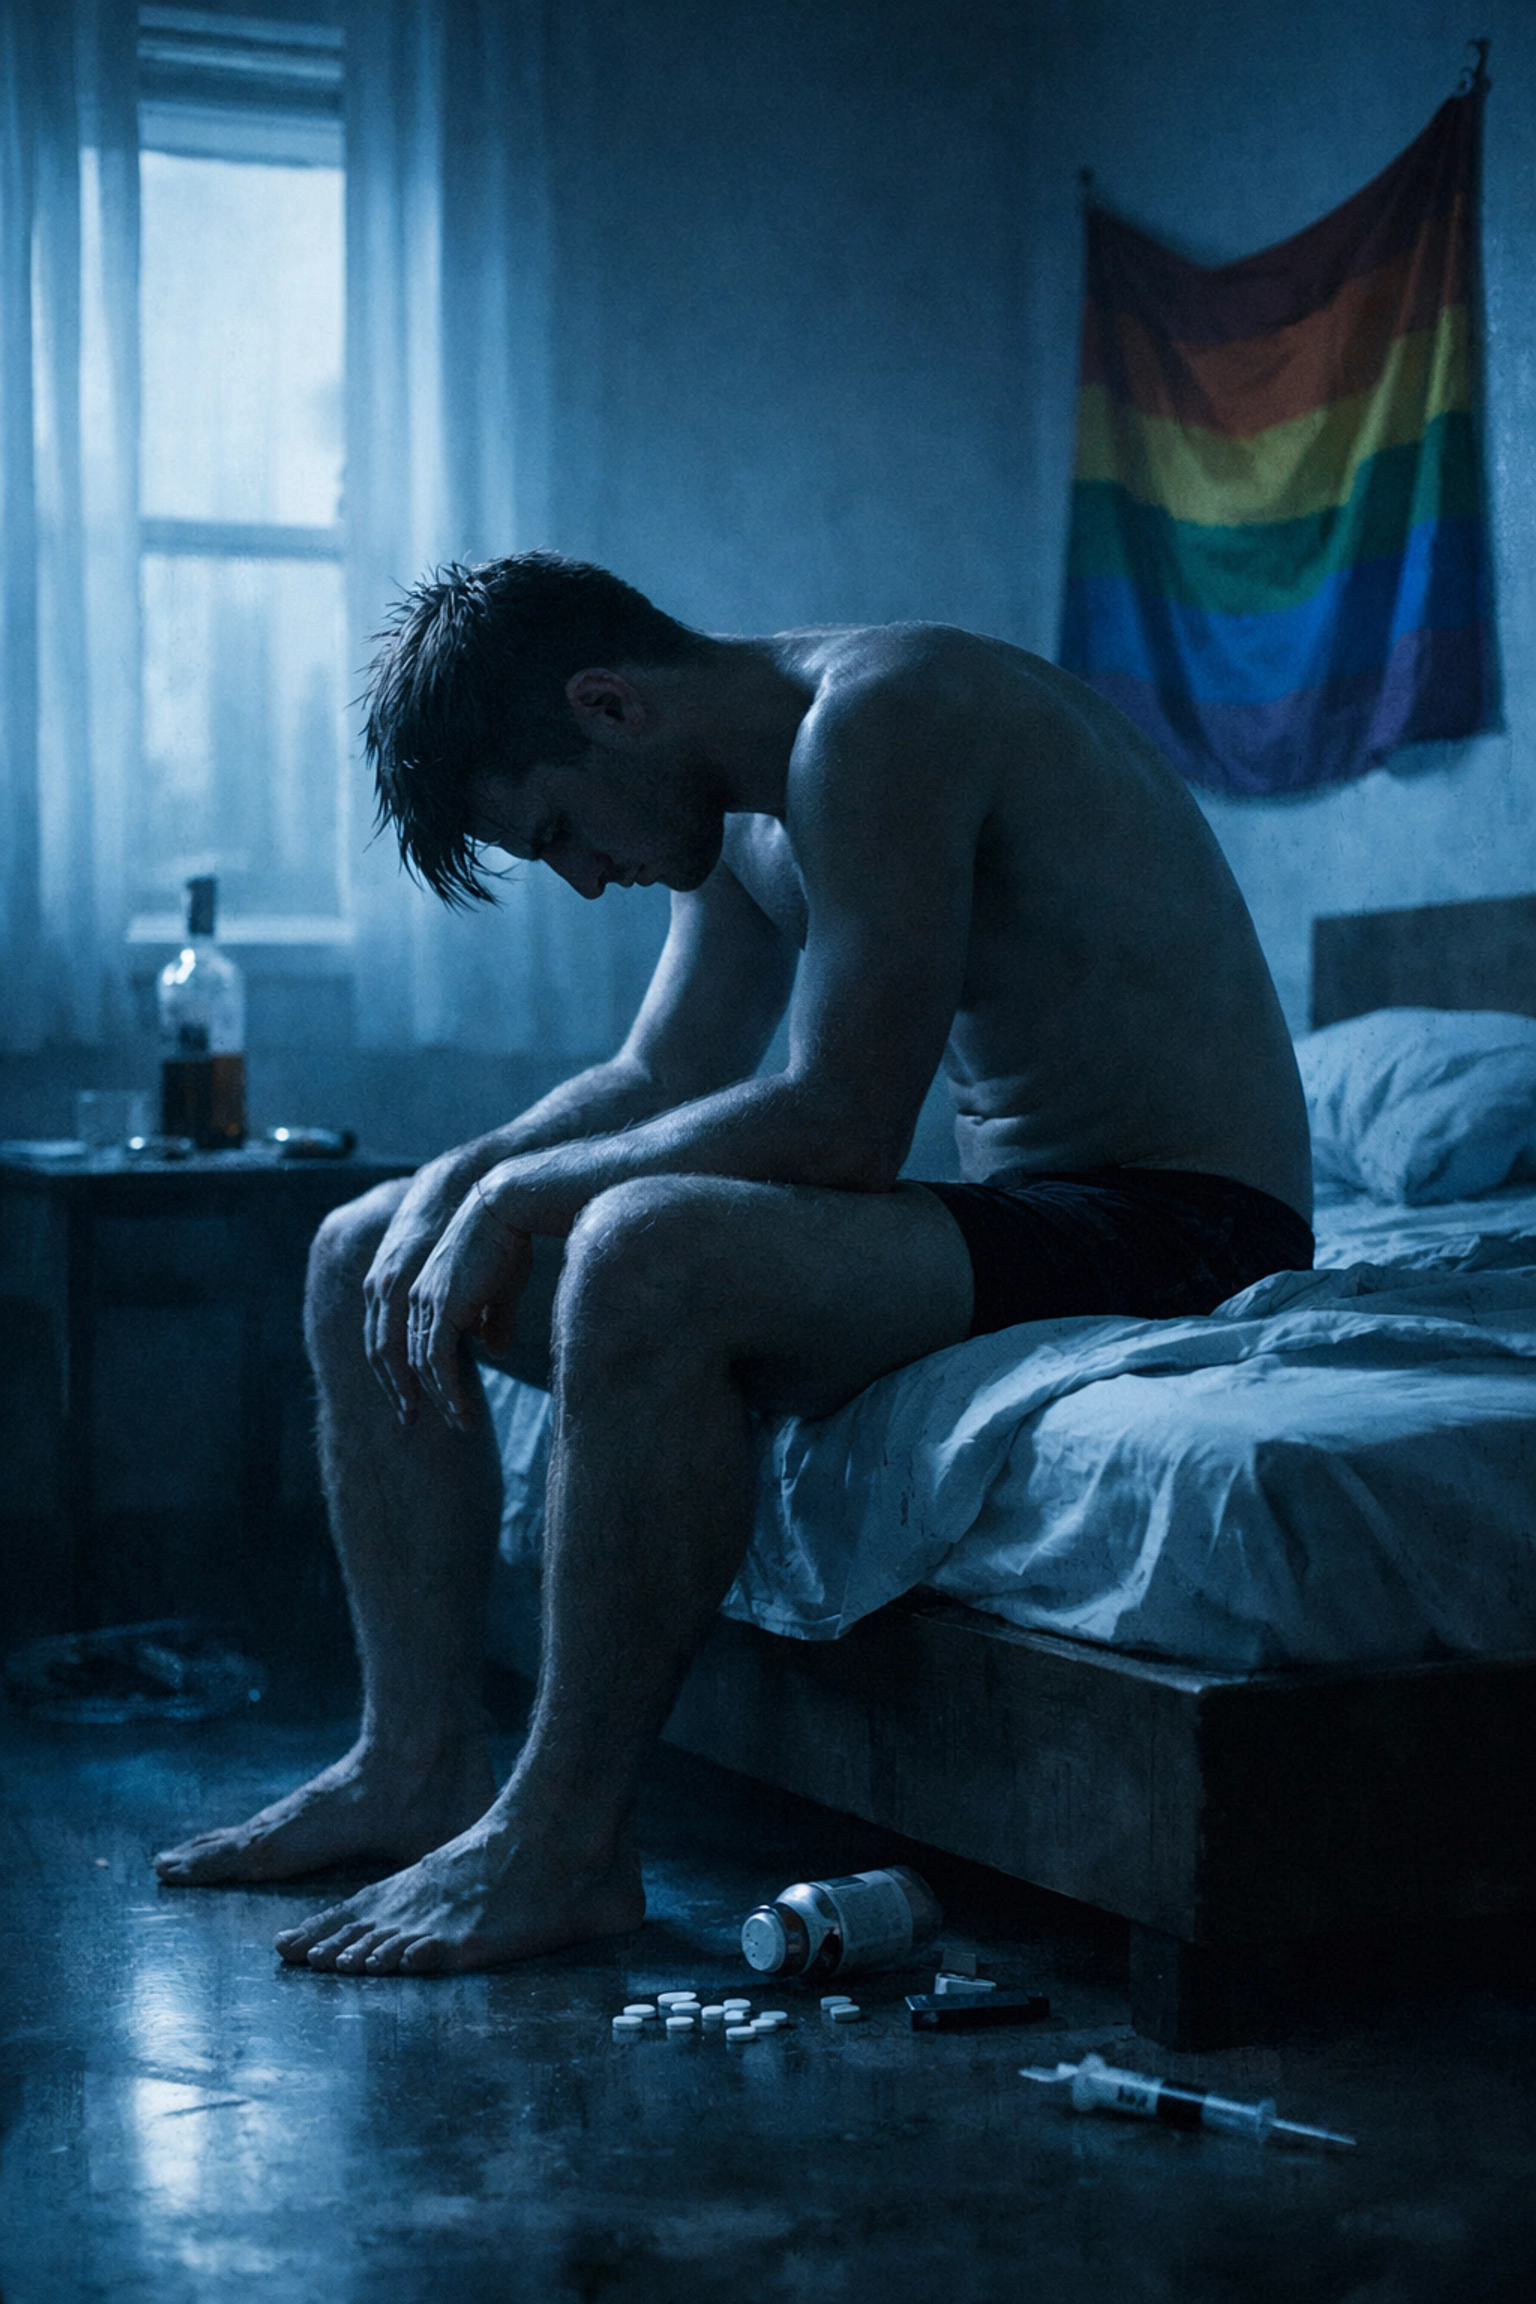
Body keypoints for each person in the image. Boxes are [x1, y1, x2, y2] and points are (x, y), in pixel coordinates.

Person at [153, 553, 1312, 1974]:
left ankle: (564, 1836)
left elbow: (839, 1121)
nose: (585, 879)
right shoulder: (746, 815)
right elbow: (658, 1071)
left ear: (612, 705)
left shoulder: (886, 715)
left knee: (649, 1251)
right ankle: (415, 1762)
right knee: (359, 1251)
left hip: (1183, 1227)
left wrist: (522, 1194)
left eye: (561, 827)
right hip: (1040, 1218)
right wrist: (460, 1182)